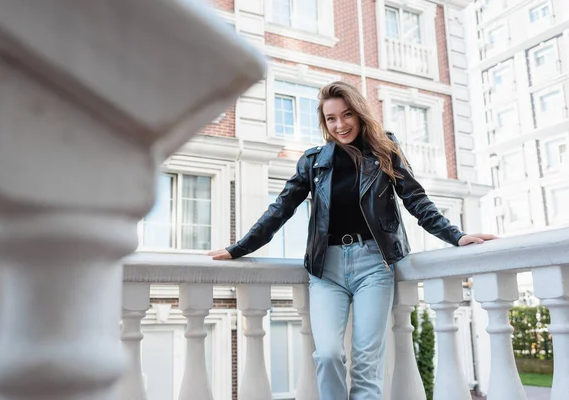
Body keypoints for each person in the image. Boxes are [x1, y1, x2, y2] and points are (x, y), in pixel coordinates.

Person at [209, 81, 496, 400]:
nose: (340, 124)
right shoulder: (313, 161)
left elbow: (416, 199)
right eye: (331, 118)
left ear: (359, 114)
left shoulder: (385, 150)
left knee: (366, 366)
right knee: (328, 355)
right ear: (324, 122)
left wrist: (456, 236)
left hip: (374, 265)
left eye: (346, 115)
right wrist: (239, 248)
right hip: (326, 269)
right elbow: (281, 208)